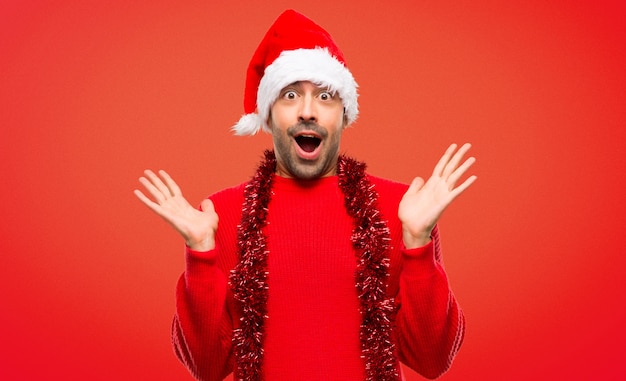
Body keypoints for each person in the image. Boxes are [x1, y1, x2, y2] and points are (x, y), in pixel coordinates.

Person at [134, 9, 476, 381]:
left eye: (325, 96)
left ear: (344, 115)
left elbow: (432, 360)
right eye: (291, 94)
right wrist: (200, 253)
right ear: (268, 114)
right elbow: (207, 367)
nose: (308, 111)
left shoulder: (401, 209)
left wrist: (418, 243)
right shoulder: (221, 215)